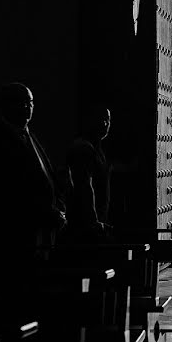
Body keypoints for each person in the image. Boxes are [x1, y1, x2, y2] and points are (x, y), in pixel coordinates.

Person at [0, 83, 66, 253]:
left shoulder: (30, 136)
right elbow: (7, 192)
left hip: (41, 235)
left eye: (30, 102)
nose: (27, 107)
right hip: (14, 236)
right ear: (5, 106)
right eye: (21, 102)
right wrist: (46, 213)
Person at [63, 104, 111, 243]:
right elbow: (84, 186)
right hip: (86, 224)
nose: (105, 123)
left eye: (107, 119)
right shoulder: (83, 148)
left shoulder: (95, 148)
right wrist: (93, 220)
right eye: (100, 119)